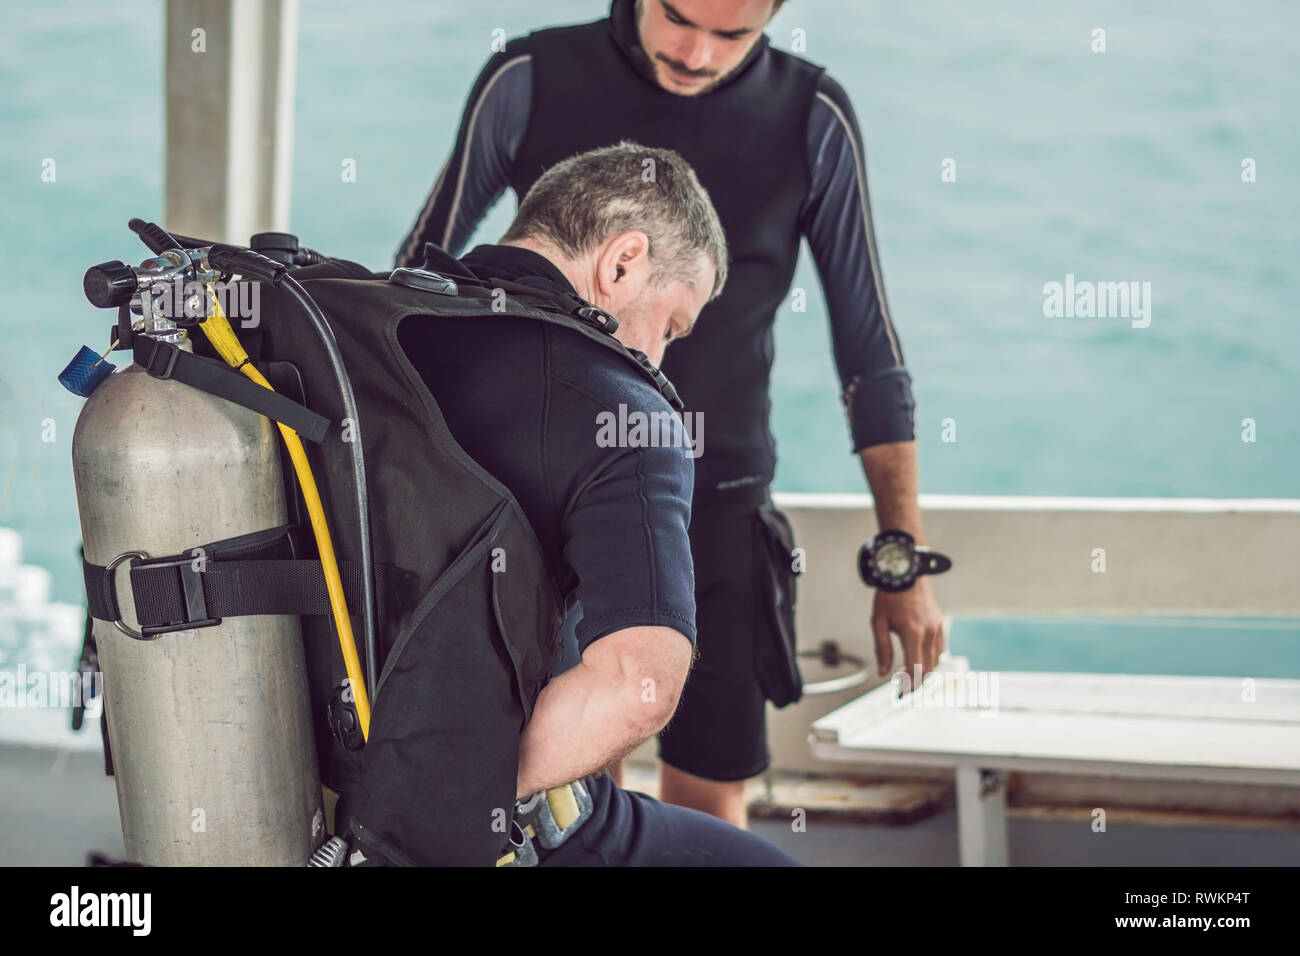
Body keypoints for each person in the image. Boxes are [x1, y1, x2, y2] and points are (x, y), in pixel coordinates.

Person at [396, 0, 948, 828]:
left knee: (711, 787)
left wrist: (898, 556)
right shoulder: (529, 78)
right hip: (538, 496)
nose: (695, 55)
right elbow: (418, 288)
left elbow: (869, 348)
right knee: (569, 789)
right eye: (679, 17)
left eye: (734, 35)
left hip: (716, 499)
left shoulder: (811, 113)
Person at [392, 141, 798, 865]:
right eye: (671, 327)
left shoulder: (368, 340)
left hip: (318, 813)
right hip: (514, 838)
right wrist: (431, 803)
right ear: (621, 263)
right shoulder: (624, 414)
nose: (660, 358)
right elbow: (640, 688)